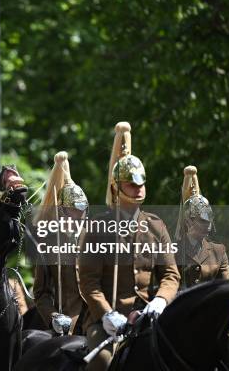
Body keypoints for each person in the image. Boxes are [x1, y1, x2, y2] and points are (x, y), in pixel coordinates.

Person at [77, 122, 180, 371]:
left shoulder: (156, 226)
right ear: (116, 187)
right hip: (107, 323)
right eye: (132, 184)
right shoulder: (97, 228)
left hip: (148, 318)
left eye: (141, 183)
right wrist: (106, 314)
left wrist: (160, 301)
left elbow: (170, 274)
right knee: (102, 363)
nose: (139, 189)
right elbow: (88, 282)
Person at [33, 151, 89, 334]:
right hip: (68, 324)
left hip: (98, 319)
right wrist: (53, 317)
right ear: (62, 212)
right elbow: (41, 293)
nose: (79, 215)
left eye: (82, 210)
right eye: (73, 210)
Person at [175, 166, 229, 288]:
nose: (208, 225)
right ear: (189, 222)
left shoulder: (219, 251)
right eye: (202, 221)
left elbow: (226, 287)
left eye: (209, 219)